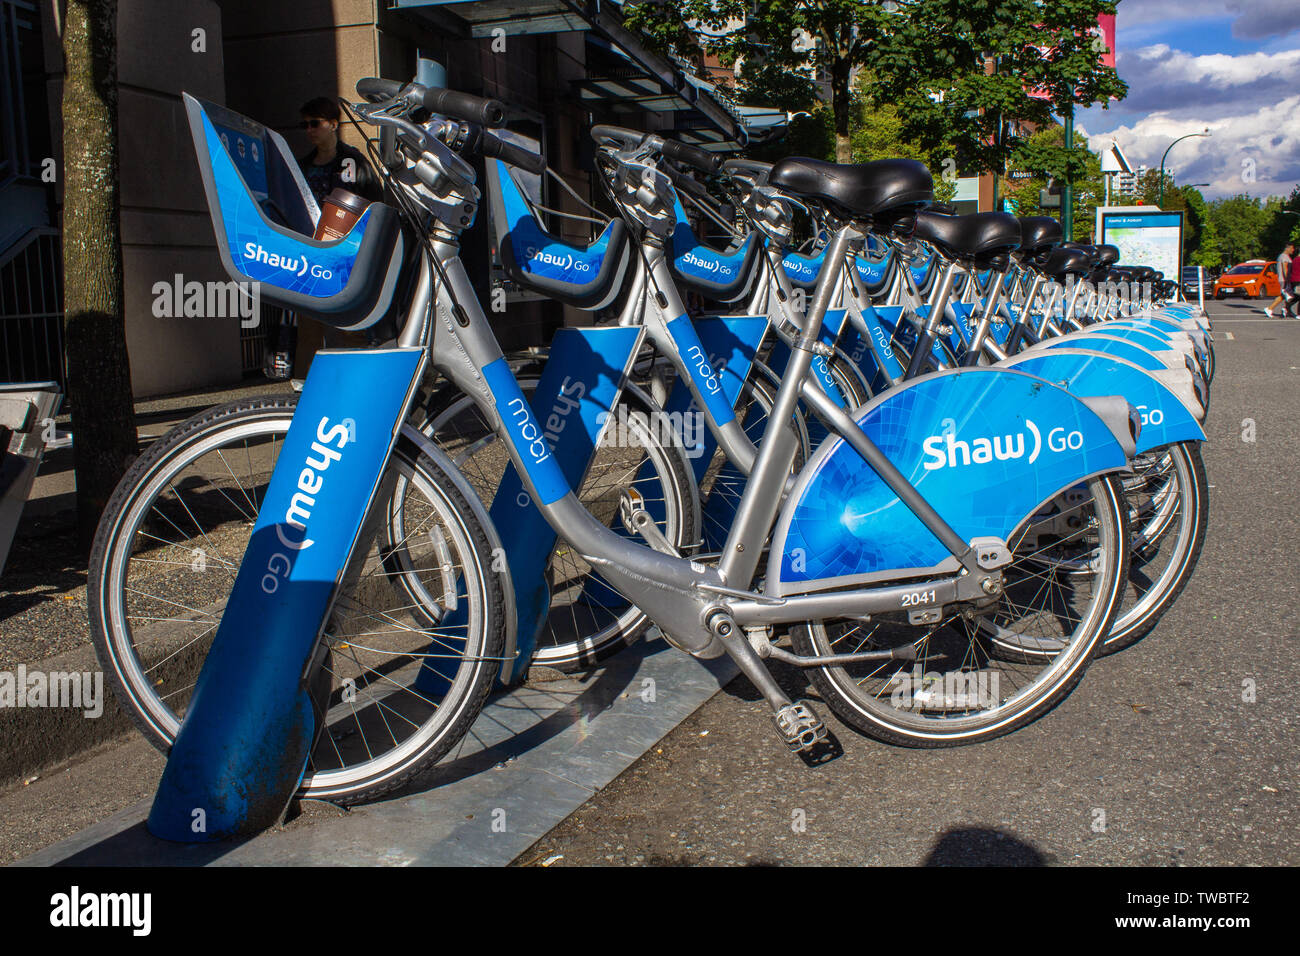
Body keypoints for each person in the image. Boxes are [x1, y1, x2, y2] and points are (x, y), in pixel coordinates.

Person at [1264, 241, 1294, 316]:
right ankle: (1270, 308)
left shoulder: (1283, 256)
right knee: (1287, 295)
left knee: (1287, 295)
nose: (1293, 250)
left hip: (1282, 279)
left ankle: (1287, 310)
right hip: (1284, 279)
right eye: (1292, 248)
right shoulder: (1284, 256)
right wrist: (1288, 279)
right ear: (1288, 248)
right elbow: (1285, 269)